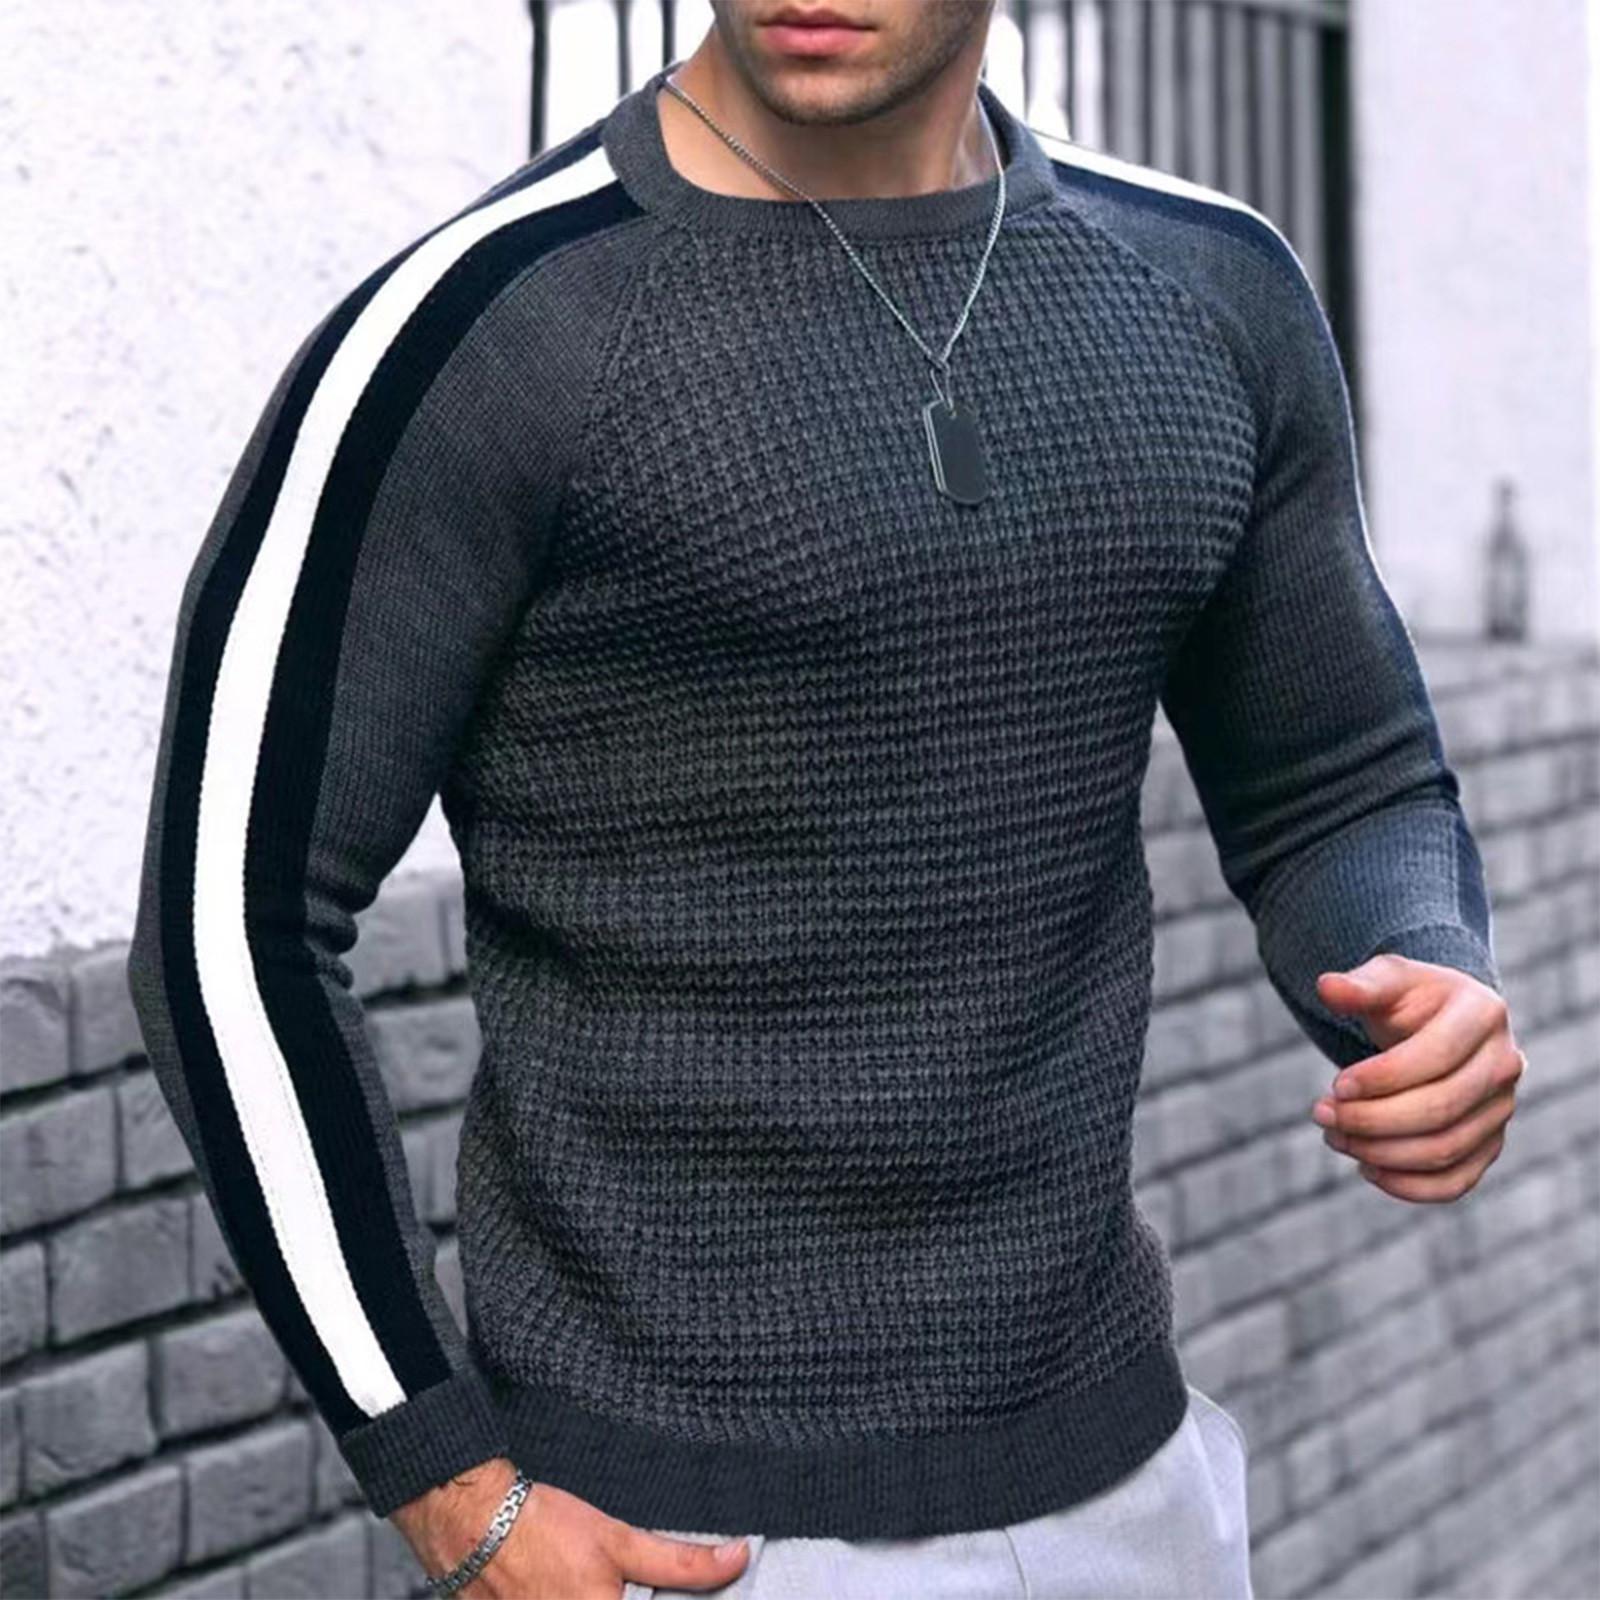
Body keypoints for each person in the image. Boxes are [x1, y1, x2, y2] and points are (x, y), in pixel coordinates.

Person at [125, 2, 1527, 1596]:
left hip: (1134, 1490)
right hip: (680, 1533)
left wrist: (1424, 970)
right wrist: (444, 1476)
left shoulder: (1210, 287)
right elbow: (231, 921)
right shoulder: (485, 325)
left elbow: (1337, 776)